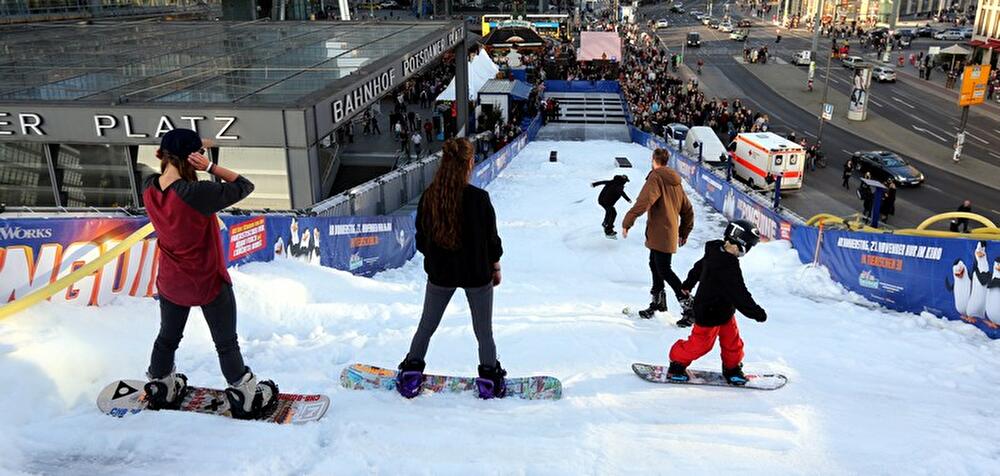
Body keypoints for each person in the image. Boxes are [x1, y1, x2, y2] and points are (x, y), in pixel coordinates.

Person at [141, 129, 278, 419]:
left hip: (171, 282)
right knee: (226, 343)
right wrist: (212, 168)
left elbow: (173, 160)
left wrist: (196, 150)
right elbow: (244, 185)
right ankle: (244, 395)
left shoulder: (148, 187)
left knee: (167, 338)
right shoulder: (196, 194)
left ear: (159, 155)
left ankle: (161, 386)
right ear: (195, 160)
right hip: (207, 281)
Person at [397, 138, 506, 400]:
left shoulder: (430, 196)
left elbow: (421, 240)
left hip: (441, 274)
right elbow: (492, 240)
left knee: (426, 327)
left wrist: (439, 257)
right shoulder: (480, 199)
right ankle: (489, 379)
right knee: (484, 332)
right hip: (477, 274)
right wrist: (495, 266)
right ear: (469, 163)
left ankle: (412, 373)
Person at [666, 220, 767, 385]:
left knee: (732, 342)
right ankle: (677, 362)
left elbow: (699, 267)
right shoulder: (728, 265)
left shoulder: (715, 250)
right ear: (739, 243)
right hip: (708, 312)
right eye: (747, 247)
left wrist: (688, 284)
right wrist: (756, 312)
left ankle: (732, 368)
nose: (746, 252)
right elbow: (739, 294)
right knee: (701, 344)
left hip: (725, 311)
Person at [622, 148, 695, 320]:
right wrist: (684, 231)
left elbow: (644, 201)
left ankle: (688, 305)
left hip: (661, 232)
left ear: (653, 160)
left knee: (664, 269)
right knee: (655, 265)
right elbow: (688, 209)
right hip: (663, 232)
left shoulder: (656, 177)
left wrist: (628, 221)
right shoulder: (675, 181)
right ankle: (658, 302)